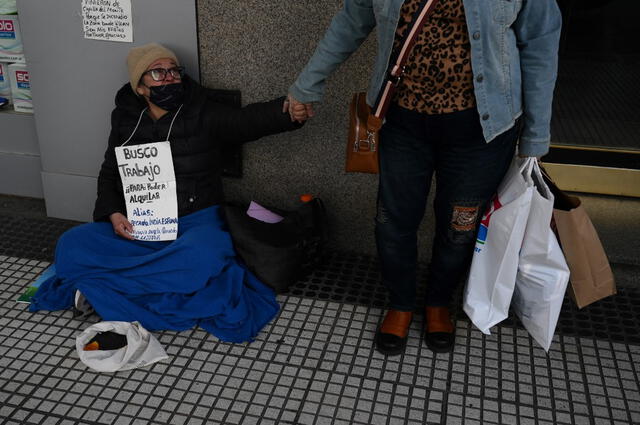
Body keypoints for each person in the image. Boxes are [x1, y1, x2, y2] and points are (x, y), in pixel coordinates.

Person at [287, 0, 562, 354]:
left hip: (483, 130)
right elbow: (352, 20)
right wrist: (308, 84)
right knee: (392, 221)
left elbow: (540, 42)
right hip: (402, 125)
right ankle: (400, 302)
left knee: (459, 227)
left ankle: (438, 301)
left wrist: (537, 133)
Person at [30, 43, 302, 343]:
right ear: (141, 86)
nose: (170, 78)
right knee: (72, 244)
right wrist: (114, 212)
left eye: (174, 71)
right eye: (159, 73)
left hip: (195, 222)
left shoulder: (203, 111)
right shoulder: (124, 119)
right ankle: (139, 281)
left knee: (207, 254)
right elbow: (110, 171)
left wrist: (290, 111)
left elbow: (247, 121)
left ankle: (103, 287)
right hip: (143, 224)